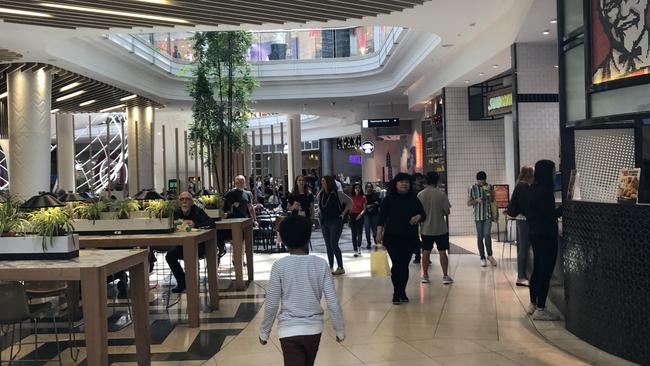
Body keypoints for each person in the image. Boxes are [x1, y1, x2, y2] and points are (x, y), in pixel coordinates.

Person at [259, 214, 345, 366]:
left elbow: (272, 303)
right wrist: (339, 330)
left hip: (288, 331)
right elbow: (332, 302)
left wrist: (264, 332)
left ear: (284, 240)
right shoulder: (321, 264)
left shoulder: (280, 266)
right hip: (314, 330)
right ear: (308, 238)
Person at [376, 173, 426, 305]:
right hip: (392, 237)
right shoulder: (389, 199)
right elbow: (381, 218)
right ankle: (396, 292)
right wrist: (379, 233)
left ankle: (402, 292)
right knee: (397, 265)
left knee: (404, 265)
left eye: (407, 182)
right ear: (396, 184)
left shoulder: (414, 199)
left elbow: (423, 214)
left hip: (409, 237)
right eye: (401, 182)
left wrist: (418, 217)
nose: (404, 184)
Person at [526, 160, 562, 321]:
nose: (555, 174)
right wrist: (564, 208)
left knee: (537, 268)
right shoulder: (545, 192)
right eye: (553, 171)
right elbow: (549, 215)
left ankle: (533, 303)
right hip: (546, 235)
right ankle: (541, 308)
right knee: (545, 271)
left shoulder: (532, 189)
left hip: (534, 233)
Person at [165, 191, 216, 293]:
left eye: (187, 199)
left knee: (190, 253)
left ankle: (192, 283)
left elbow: (211, 224)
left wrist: (195, 224)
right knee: (170, 256)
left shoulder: (198, 211)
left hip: (199, 245)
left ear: (192, 202)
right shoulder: (175, 212)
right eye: (182, 199)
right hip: (180, 244)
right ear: (179, 202)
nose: (184, 201)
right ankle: (182, 282)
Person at [594, 0, 650, 84]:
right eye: (612, 5)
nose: (624, 13)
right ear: (603, 19)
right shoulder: (598, 77)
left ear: (645, 2)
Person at [417, 171, 453, 285]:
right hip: (440, 229)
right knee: (443, 252)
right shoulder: (441, 194)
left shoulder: (420, 195)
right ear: (437, 181)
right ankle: (445, 276)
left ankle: (425, 275)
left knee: (426, 252)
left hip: (426, 229)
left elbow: (418, 211)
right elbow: (447, 211)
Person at [505, 166, 535, 287]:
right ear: (529, 174)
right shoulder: (524, 187)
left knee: (524, 248)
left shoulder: (520, 186)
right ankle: (521, 276)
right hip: (525, 221)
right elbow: (526, 206)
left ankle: (523, 275)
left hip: (521, 220)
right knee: (524, 248)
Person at [318, 175, 352, 275]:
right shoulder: (321, 194)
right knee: (328, 245)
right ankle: (331, 266)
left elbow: (350, 202)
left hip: (335, 221)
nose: (322, 183)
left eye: (324, 181)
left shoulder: (338, 193)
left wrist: (343, 213)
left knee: (333, 243)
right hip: (324, 221)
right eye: (322, 181)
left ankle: (340, 267)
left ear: (328, 182)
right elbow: (321, 206)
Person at [220, 175, 258, 254]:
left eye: (241, 182)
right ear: (235, 183)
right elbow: (222, 204)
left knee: (243, 239)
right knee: (235, 240)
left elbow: (250, 207)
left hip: (243, 219)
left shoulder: (247, 194)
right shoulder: (230, 193)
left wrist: (255, 220)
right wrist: (223, 214)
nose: (240, 184)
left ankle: (240, 258)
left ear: (244, 183)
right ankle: (236, 258)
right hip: (232, 220)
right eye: (238, 182)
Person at [467, 171, 497, 267]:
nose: (481, 183)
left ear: (485, 180)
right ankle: (482, 257)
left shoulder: (489, 186)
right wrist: (476, 200)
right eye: (480, 181)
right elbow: (468, 203)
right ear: (477, 180)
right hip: (478, 216)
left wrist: (490, 194)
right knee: (480, 237)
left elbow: (492, 200)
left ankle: (490, 255)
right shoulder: (472, 188)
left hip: (488, 215)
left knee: (487, 235)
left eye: (483, 181)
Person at [411, 173, 427, 264]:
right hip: (414, 215)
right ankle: (417, 255)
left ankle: (426, 256)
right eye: (417, 179)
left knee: (425, 235)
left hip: (424, 214)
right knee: (415, 236)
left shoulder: (424, 190)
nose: (419, 181)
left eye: (420, 179)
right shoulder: (411, 191)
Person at [348, 183, 366, 257]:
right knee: (353, 233)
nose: (357, 189)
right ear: (354, 189)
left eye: (359, 187)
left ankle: (359, 246)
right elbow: (348, 207)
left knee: (359, 233)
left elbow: (364, 209)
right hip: (352, 215)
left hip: (360, 215)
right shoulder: (351, 197)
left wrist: (360, 215)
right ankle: (355, 249)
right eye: (356, 187)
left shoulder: (363, 197)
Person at [363, 182, 380, 249]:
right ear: (366, 188)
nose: (369, 188)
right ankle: (368, 243)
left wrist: (372, 205)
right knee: (367, 230)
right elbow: (362, 205)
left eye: (370, 187)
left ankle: (376, 243)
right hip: (366, 215)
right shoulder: (364, 196)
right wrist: (369, 206)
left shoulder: (375, 195)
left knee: (375, 230)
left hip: (374, 215)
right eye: (368, 187)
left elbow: (378, 203)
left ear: (372, 188)